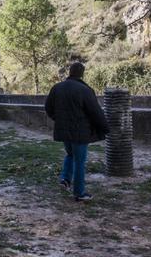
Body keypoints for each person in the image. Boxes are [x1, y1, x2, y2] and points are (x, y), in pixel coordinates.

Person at [44, 62, 109, 201]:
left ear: (70, 72)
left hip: (64, 130)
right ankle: (79, 193)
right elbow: (95, 112)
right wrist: (106, 128)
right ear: (82, 73)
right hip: (80, 132)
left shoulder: (57, 87)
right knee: (80, 161)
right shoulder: (85, 90)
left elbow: (48, 108)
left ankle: (65, 179)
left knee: (70, 154)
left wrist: (58, 119)